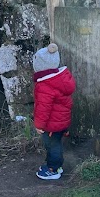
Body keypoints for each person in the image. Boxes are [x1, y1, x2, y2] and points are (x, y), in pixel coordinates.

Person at [33, 42, 76, 180]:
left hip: (52, 124)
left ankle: (53, 169)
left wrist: (39, 125)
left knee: (52, 146)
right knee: (55, 144)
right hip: (60, 121)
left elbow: (43, 108)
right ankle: (54, 165)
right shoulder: (60, 80)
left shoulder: (45, 85)